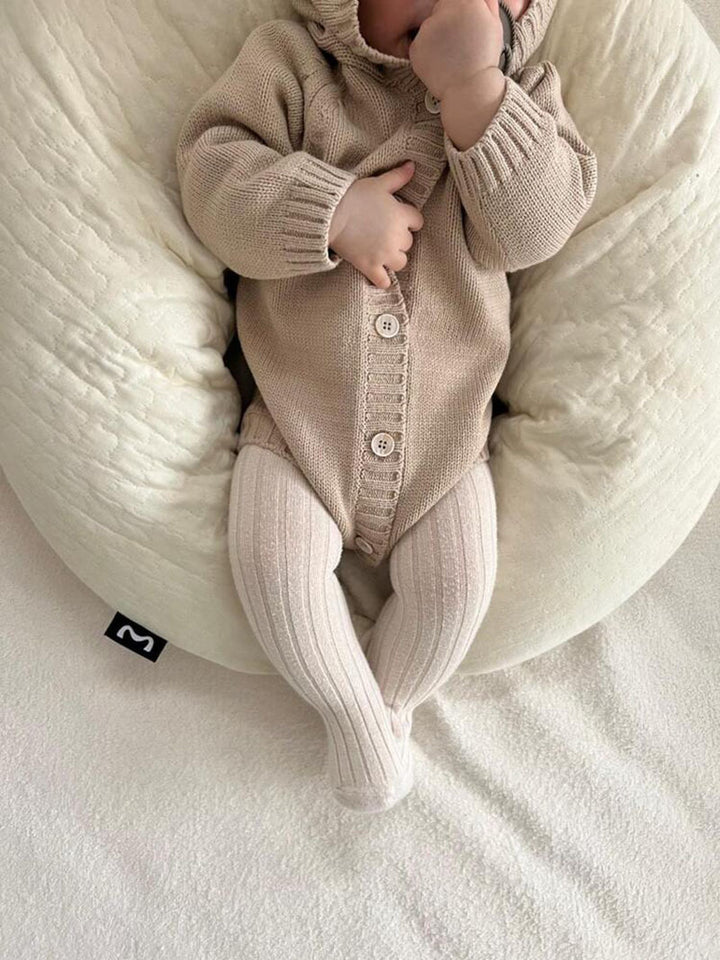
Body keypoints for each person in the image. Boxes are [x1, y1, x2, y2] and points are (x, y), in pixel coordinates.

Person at [175, 0, 598, 812]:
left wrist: (475, 91)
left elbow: (535, 231)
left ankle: (386, 706)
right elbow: (211, 173)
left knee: (456, 589)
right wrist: (329, 210)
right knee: (272, 564)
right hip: (298, 415)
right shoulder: (294, 67)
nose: (454, 8)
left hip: (447, 435)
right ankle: (351, 713)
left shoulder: (522, 95)